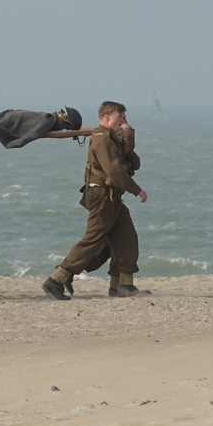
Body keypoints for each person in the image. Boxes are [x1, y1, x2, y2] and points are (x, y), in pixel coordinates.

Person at [43, 101, 148, 300]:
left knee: (126, 240)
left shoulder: (111, 137)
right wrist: (137, 190)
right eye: (120, 117)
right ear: (107, 118)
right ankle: (57, 279)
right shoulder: (102, 139)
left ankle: (123, 286)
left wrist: (128, 131)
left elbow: (127, 152)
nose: (124, 121)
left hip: (113, 197)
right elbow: (114, 171)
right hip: (102, 198)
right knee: (92, 240)